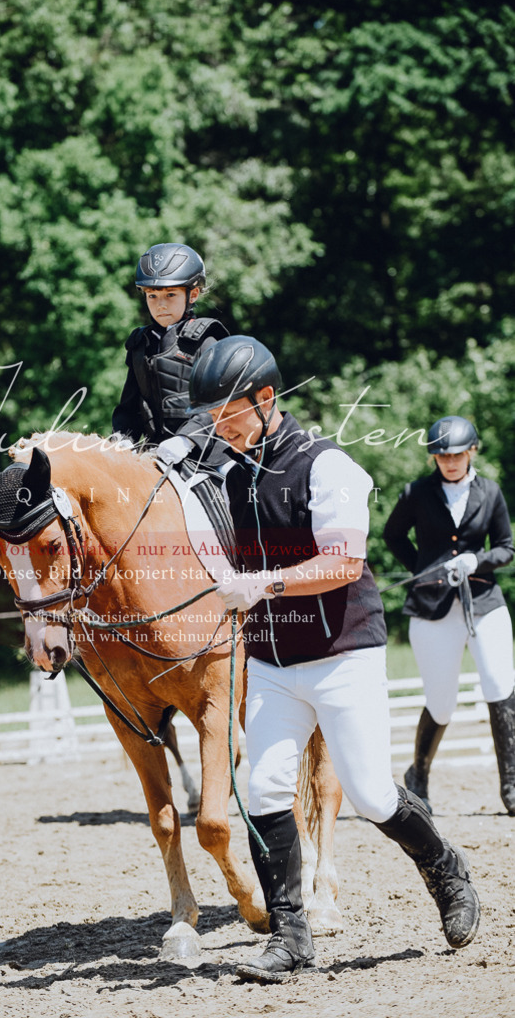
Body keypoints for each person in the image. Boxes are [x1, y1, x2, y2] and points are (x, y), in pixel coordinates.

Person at [186, 336, 481, 982]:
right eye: (210, 416)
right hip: (270, 660)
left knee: (374, 793)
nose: (218, 427)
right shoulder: (231, 476)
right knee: (263, 788)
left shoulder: (329, 467)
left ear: (267, 400)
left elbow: (343, 562)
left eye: (227, 413)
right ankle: (291, 939)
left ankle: (448, 871)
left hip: (344, 652)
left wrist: (264, 584)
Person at [383, 415, 515, 817]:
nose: (450, 462)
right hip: (433, 607)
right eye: (442, 456)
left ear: (471, 451)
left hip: (484, 601)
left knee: (499, 684)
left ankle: (510, 783)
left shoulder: (490, 492)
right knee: (442, 703)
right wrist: (421, 571)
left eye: (457, 455)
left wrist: (480, 559)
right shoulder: (416, 493)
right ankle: (419, 773)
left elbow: (507, 547)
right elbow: (393, 536)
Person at [111, 242, 230, 470]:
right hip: (156, 452)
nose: (160, 305)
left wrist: (187, 439)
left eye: (171, 294)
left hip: (210, 454)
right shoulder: (140, 344)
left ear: (192, 294)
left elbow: (219, 404)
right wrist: (123, 437)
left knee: (242, 492)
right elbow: (129, 407)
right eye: (152, 296)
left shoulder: (207, 341)